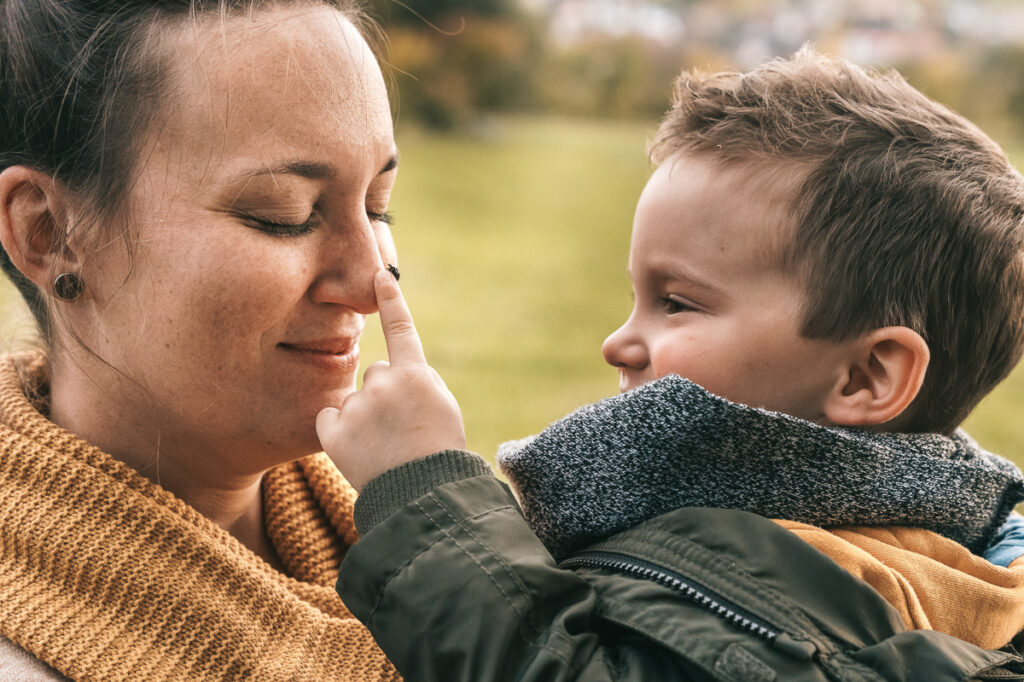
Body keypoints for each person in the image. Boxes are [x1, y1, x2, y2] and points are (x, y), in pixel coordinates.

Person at [321, 51, 1024, 679]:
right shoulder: (957, 550)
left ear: (867, 377)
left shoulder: (819, 586)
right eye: (637, 297)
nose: (617, 344)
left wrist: (424, 496)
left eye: (678, 303)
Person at [0, 1, 402, 679]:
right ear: (50, 233)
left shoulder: (422, 539)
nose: (373, 282)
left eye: (380, 206)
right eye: (284, 215)